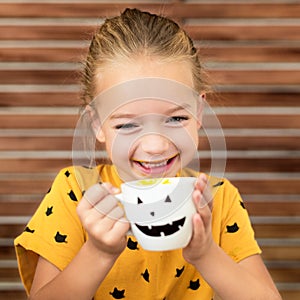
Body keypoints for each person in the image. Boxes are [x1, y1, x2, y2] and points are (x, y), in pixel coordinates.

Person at [14, 8, 281, 300]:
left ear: (199, 111)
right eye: (128, 124)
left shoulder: (220, 199)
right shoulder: (73, 193)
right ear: (96, 124)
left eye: (176, 119)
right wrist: (98, 252)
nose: (154, 145)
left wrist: (206, 254)